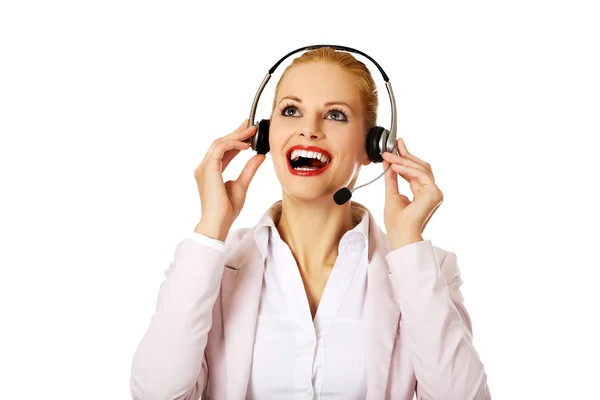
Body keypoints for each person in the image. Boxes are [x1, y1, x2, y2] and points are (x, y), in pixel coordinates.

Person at [130, 46, 491, 400]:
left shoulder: (426, 271)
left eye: (335, 115)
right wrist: (212, 226)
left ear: (373, 146)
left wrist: (407, 242)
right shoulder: (213, 267)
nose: (309, 130)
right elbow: (157, 395)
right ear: (263, 134)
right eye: (291, 110)